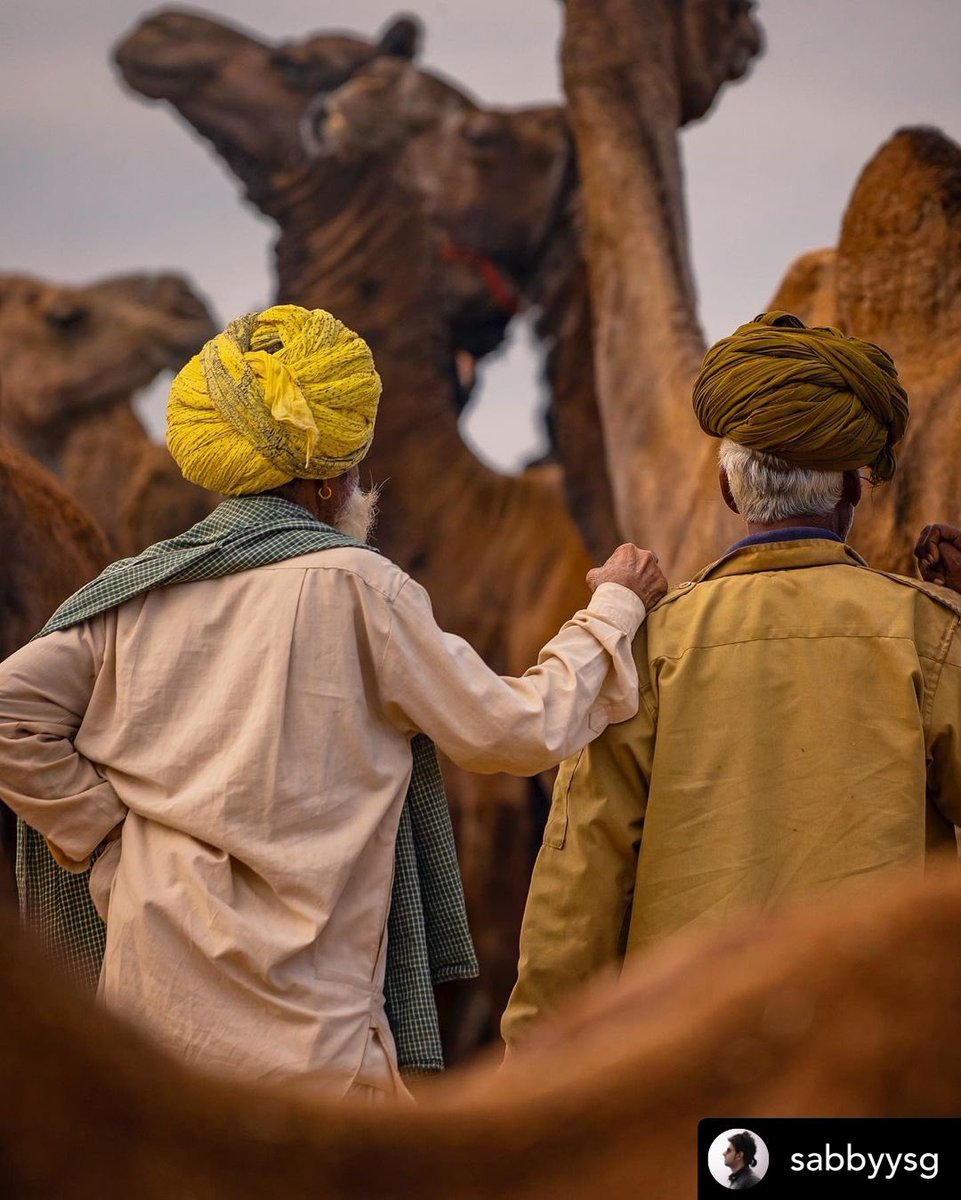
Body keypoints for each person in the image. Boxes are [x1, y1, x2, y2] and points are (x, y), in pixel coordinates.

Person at [0, 304, 667, 1101]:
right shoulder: (357, 586)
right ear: (329, 480)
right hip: (315, 1052)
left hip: (154, 1042)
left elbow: (12, 716)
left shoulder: (133, 598)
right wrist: (614, 612)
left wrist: (108, 842)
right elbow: (516, 731)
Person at [502, 310, 961, 1046]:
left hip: (681, 1065)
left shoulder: (645, 650)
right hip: (878, 1061)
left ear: (725, 489)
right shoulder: (928, 634)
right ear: (851, 489)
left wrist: (531, 1074)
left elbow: (576, 889)